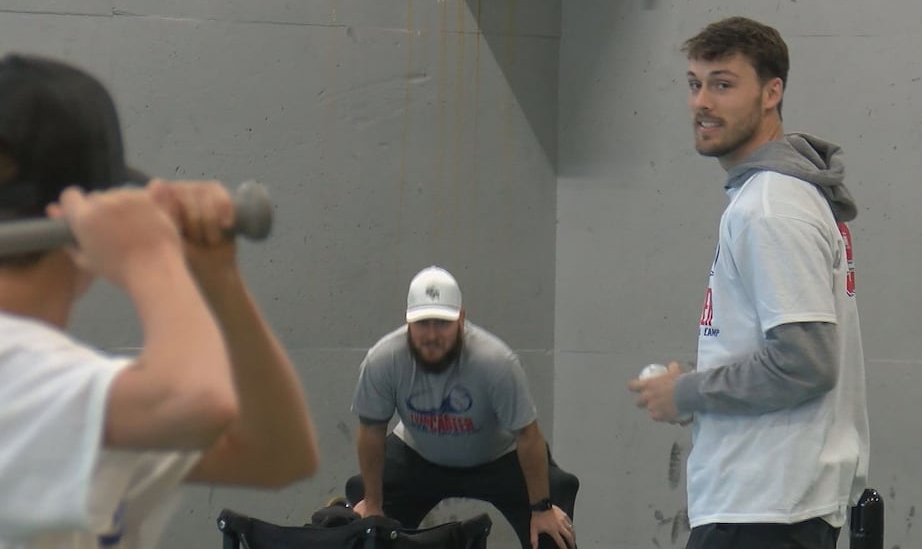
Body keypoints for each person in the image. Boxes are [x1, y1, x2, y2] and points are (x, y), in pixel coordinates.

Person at [0, 54, 319, 547]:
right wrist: (153, 259)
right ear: (86, 220)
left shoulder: (63, 390)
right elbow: (198, 401)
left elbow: (278, 455)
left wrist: (218, 279)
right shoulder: (14, 364)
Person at [627, 16, 870, 549]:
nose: (702, 102)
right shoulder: (776, 198)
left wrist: (686, 391)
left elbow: (804, 363)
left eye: (723, 83)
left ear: (771, 92)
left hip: (765, 510)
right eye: (695, 84)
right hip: (773, 506)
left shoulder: (771, 206)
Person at [348, 266, 578, 549]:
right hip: (418, 456)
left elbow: (528, 436)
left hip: (497, 458)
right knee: (363, 526)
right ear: (407, 322)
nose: (432, 335)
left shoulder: (495, 362)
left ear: (461, 319)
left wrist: (542, 509)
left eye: (443, 323)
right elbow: (371, 430)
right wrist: (372, 504)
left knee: (552, 534)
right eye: (422, 323)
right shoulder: (384, 359)